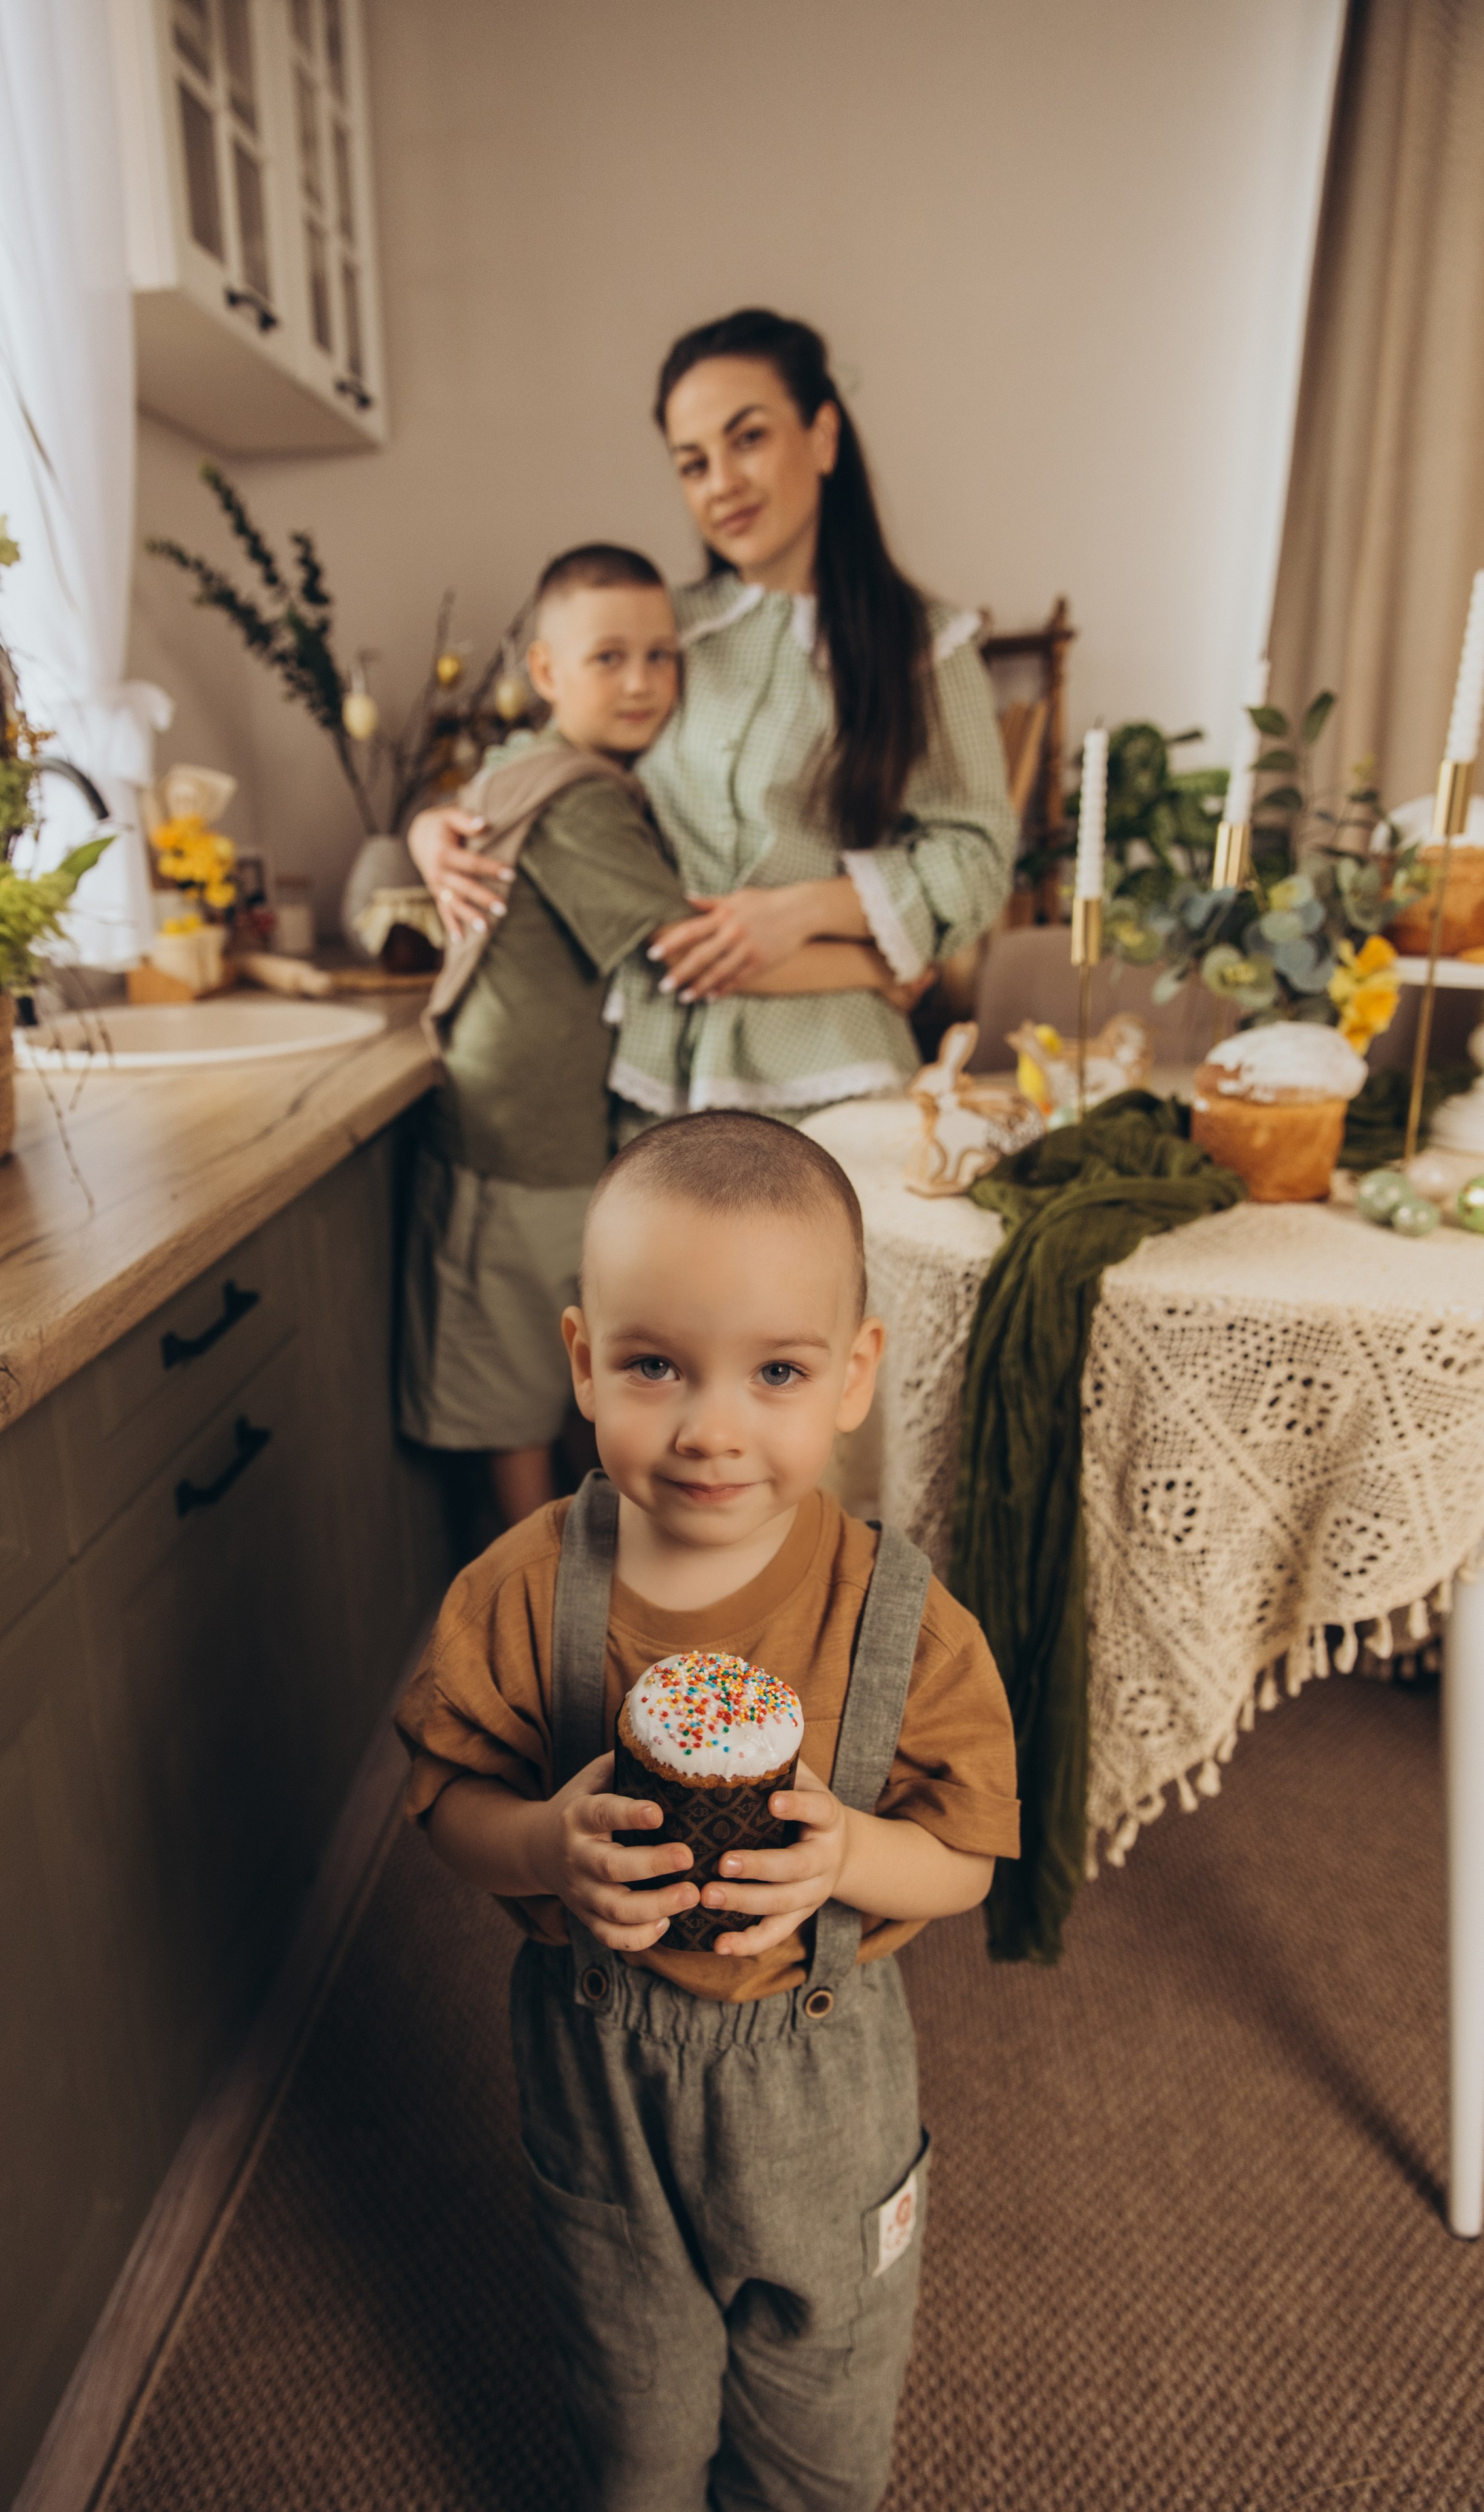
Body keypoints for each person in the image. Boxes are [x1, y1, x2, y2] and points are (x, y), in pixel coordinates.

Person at [398, 1111, 1020, 2509]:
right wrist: (541, 1847)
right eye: (655, 1366)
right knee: (628, 2413)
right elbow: (445, 1803)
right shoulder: (519, 1589)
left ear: (853, 1375)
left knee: (825, 2415)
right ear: (581, 1362)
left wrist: (853, 1854)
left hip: (823, 2077)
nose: (710, 1429)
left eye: (777, 1370)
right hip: (600, 2077)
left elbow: (969, 1861)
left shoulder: (899, 1622)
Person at [401, 543, 912, 1527]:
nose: (641, 682)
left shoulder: (551, 772)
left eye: (661, 656)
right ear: (546, 674)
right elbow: (691, 950)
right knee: (517, 1382)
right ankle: (544, 1591)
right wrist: (877, 966)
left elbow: (466, 804)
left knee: (567, 1368)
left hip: (546, 1125)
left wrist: (432, 824)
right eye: (608, 659)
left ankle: (576, 1572)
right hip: (521, 1134)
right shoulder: (579, 799)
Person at [410, 308, 1016, 1126]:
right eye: (692, 464)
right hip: (654, 1067)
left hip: (838, 1068)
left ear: (824, 436)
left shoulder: (928, 649)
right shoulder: (662, 634)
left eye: (749, 439)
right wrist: (434, 825)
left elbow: (975, 858)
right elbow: (553, 755)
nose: (721, 483)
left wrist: (803, 910)